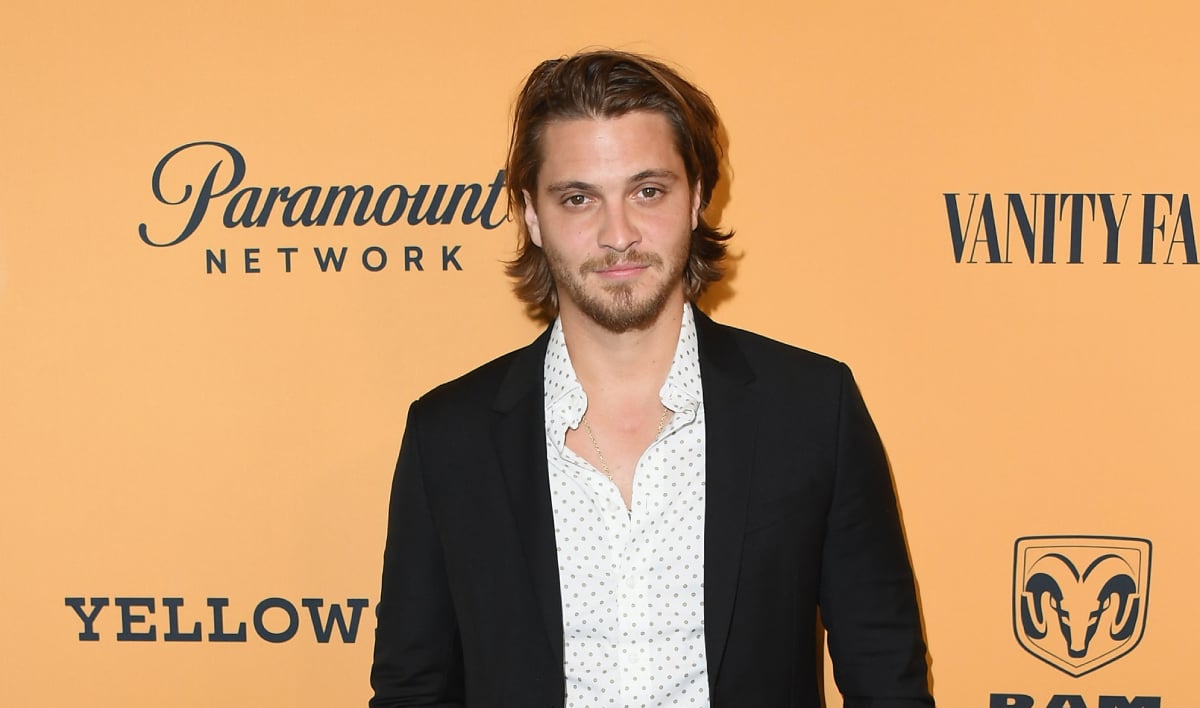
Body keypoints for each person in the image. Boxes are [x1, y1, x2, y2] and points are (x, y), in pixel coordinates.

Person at [370, 49, 934, 708]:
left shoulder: (811, 408)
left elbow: (885, 672)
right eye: (578, 198)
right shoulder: (451, 436)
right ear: (530, 213)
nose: (619, 234)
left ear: (697, 196)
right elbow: (413, 688)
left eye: (648, 191)